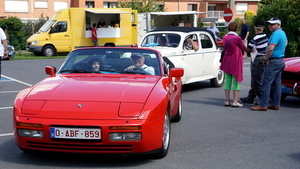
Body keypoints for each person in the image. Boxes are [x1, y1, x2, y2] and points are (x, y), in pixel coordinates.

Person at [251, 17, 287, 111]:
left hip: (273, 61)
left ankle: (263, 104)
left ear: (278, 25)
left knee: (266, 83)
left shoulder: (276, 34)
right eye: (269, 24)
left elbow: (271, 48)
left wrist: (266, 59)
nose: (270, 26)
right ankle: (276, 104)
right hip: (280, 60)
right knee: (277, 84)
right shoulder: (282, 33)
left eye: (272, 24)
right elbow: (286, 43)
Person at [240, 19, 269, 105]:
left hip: (258, 59)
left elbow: (248, 49)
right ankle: (251, 97)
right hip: (264, 57)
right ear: (263, 27)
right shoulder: (266, 36)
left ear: (254, 27)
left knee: (256, 80)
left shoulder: (256, 37)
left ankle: (262, 99)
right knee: (257, 79)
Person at [220, 21, 246, 107]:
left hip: (227, 60)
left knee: (227, 81)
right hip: (235, 61)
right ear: (236, 29)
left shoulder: (224, 37)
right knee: (236, 81)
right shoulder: (237, 38)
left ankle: (227, 101)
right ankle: (235, 101)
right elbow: (243, 48)